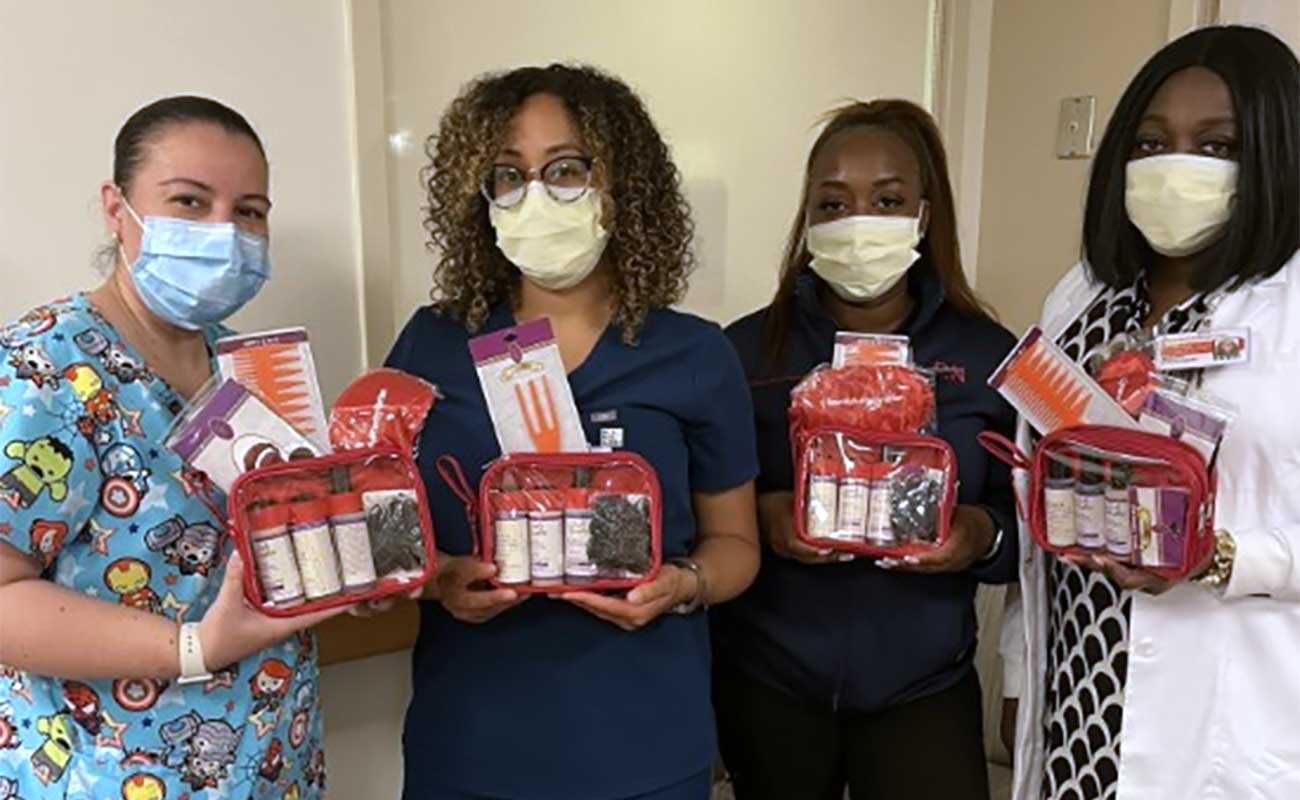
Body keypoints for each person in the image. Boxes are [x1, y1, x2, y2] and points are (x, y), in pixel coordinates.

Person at [386, 64, 761, 800]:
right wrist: (436, 583)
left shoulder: (695, 354)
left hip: (644, 747)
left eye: (565, 170)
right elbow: (381, 535)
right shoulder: (432, 344)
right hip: (471, 747)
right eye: (508, 176)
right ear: (480, 198)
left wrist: (683, 584)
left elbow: (737, 546)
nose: (536, 197)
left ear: (624, 183)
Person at [0, 96, 343, 798]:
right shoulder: (45, 367)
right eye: (189, 201)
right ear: (115, 207)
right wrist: (195, 649)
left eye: (249, 212)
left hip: (269, 764)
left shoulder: (242, 365)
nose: (224, 232)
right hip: (109, 772)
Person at [1000, 25, 1300, 800]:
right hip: (1079, 703)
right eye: (1150, 142)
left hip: (1232, 728)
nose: (1175, 167)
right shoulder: (1081, 299)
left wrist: (1224, 557)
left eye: (1216, 146)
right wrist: (1017, 670)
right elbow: (1043, 489)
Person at [711, 99, 1018, 800]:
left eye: (887, 200)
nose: (859, 223)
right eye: (833, 203)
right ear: (808, 220)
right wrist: (766, 517)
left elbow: (1035, 526)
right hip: (770, 681)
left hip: (924, 690)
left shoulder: (988, 357)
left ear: (924, 216)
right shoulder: (742, 352)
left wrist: (979, 534)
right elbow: (705, 510)